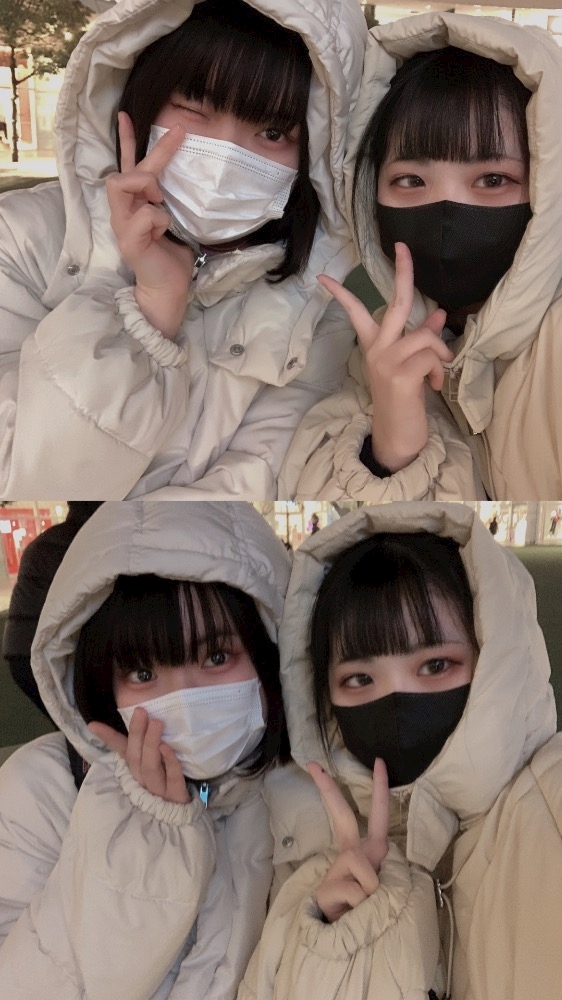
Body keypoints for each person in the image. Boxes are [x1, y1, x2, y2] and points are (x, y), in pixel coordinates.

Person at [0, 0, 367, 500]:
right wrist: (148, 311)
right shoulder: (20, 239)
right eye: (194, 108)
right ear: (140, 96)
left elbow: (256, 482)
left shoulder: (320, 305)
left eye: (273, 132)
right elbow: (28, 476)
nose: (226, 156)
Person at [239, 502, 562, 1000]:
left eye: (435, 666)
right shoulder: (304, 885)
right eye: (359, 679)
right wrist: (349, 943)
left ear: (493, 659)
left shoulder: (550, 810)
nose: (397, 703)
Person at [0, 501, 293, 999]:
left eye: (216, 656)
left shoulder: (308, 795)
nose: (184, 697)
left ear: (270, 652)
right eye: (142, 673)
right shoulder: (39, 792)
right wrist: (144, 838)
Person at [278, 13, 562, 501]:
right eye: (410, 181)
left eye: (493, 180)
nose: (449, 213)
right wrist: (390, 449)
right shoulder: (374, 348)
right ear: (369, 193)